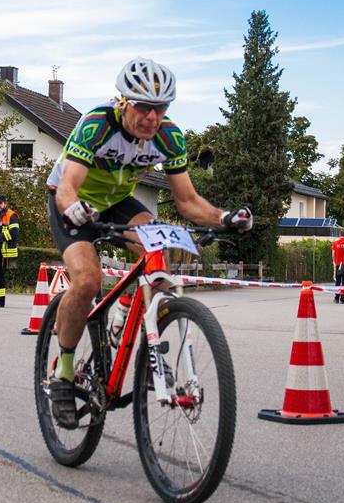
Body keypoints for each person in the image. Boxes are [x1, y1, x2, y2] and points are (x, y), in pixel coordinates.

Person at [45, 57, 253, 429]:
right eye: (143, 107)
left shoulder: (169, 137)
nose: (152, 117)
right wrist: (73, 208)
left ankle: (135, 328)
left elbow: (187, 201)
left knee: (157, 256)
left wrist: (223, 217)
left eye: (161, 108)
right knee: (88, 281)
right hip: (75, 203)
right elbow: (67, 187)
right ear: (123, 102)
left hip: (117, 203)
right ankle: (62, 372)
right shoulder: (96, 124)